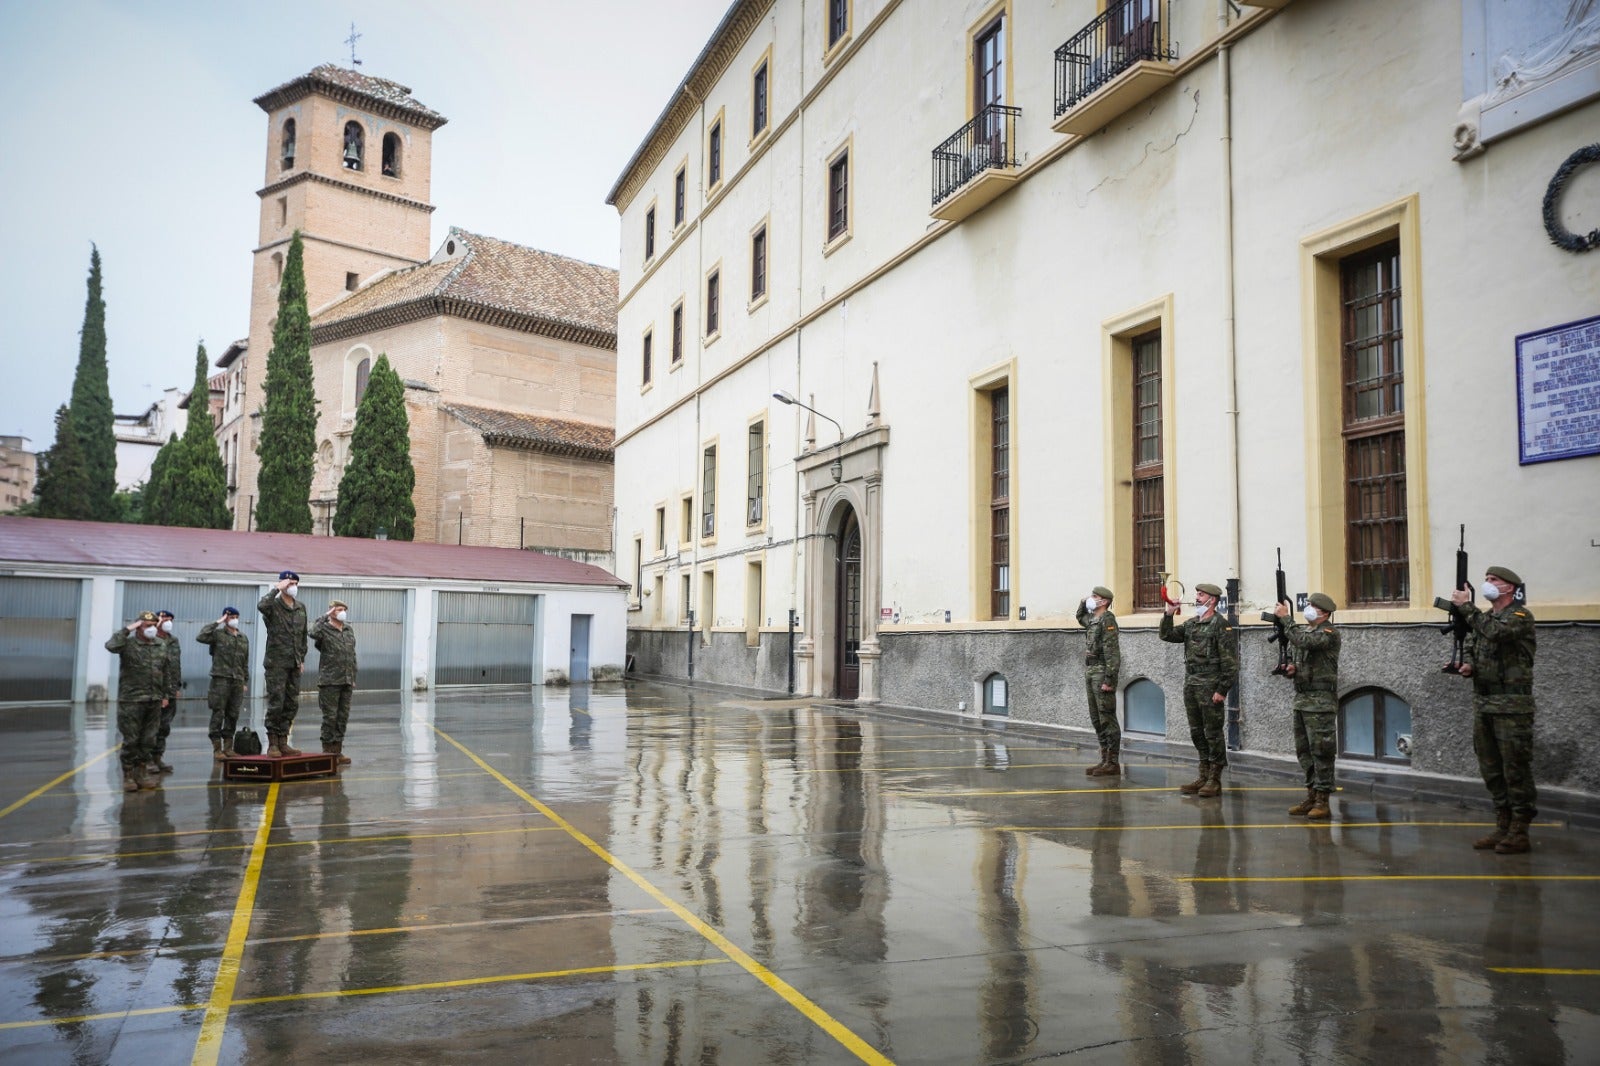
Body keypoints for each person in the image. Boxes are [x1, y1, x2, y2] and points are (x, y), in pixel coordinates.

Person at [1450, 565, 1538, 854]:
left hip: (1512, 708)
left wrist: (1467, 608)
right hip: (1485, 704)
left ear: (1509, 587)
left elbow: (1497, 633)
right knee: (1492, 769)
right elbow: (1475, 647)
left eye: (1494, 580)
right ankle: (1502, 825)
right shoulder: (1484, 619)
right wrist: (1468, 666)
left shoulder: (1520, 616)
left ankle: (1519, 831)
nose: (1487, 583)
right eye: (1486, 579)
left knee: (1515, 768)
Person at [1159, 581, 1237, 798]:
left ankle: (1214, 779)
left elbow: (1230, 663)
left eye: (1201, 595)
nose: (1197, 598)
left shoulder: (1220, 625)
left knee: (1212, 733)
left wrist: (1222, 689)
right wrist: (1168, 614)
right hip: (1192, 684)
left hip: (1211, 686)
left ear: (1212, 600)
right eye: (1197, 594)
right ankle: (1203, 774)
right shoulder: (1192, 624)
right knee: (1197, 732)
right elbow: (1166, 635)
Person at [1274, 593, 1341, 820]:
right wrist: (1291, 669)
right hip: (1302, 700)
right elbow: (1298, 654)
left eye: (1313, 606)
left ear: (1324, 612)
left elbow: (1305, 642)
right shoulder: (1307, 632)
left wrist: (1286, 619)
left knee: (1322, 751)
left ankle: (1323, 800)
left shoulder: (1329, 633)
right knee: (1305, 753)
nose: (1308, 608)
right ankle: (1311, 795)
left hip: (1321, 702)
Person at [105, 611, 168, 792]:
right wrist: (128, 629)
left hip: (154, 699)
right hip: (131, 700)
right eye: (147, 626)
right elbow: (111, 645)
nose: (150, 630)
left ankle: (142, 774)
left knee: (148, 739)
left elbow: (165, 671)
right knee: (131, 740)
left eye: (153, 626)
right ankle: (128, 776)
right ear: (139, 627)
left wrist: (165, 695)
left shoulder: (160, 645)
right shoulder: (128, 644)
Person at [258, 570, 308, 757]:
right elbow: (261, 605)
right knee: (276, 702)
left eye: (295, 583)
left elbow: (302, 636)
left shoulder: (300, 607)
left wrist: (301, 658)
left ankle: (283, 741)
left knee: (290, 703)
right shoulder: (273, 605)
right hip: (276, 662)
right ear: (282, 585)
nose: (292, 587)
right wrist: (275, 589)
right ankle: (272, 743)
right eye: (289, 583)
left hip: (294, 663)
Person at [1076, 586, 1122, 777]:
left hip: (1102, 672)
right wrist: (1083, 601)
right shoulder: (1094, 620)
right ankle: (1104, 759)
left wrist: (1109, 679)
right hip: (1091, 670)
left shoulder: (1107, 620)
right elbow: (1080, 617)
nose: (1091, 599)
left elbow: (1112, 652)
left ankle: (1112, 762)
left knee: (1107, 717)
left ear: (1104, 601)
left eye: (1095, 597)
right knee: (1096, 718)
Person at [197, 607, 249, 760]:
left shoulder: (243, 637)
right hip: (220, 680)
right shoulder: (217, 634)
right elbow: (201, 636)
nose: (234, 619)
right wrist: (217, 622)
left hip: (237, 681)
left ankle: (228, 747)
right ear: (225, 618)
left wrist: (244, 680)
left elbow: (245, 662)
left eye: (236, 616)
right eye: (231, 616)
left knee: (233, 714)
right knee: (218, 713)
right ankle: (217, 749)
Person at [311, 599, 357, 765]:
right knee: (329, 717)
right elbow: (312, 633)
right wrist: (325, 617)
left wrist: (353, 677)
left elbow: (352, 655)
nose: (343, 612)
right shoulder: (324, 629)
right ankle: (327, 753)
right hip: (330, 680)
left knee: (342, 717)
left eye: (344, 609)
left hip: (346, 680)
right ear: (332, 611)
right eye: (339, 609)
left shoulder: (348, 630)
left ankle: (337, 752)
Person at [148, 609, 182, 773]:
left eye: (169, 619)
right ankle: (146, 761)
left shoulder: (173, 640)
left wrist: (176, 687)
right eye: (163, 618)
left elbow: (175, 666)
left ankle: (157, 759)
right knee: (151, 728)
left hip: (170, 690)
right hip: (154, 690)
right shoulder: (150, 639)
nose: (167, 621)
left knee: (164, 727)